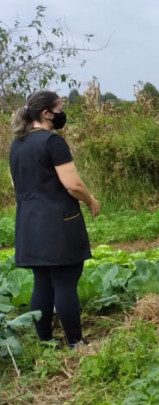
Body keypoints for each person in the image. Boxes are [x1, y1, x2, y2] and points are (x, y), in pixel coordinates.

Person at [8, 90, 100, 349]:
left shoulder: (18, 143)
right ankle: (75, 342)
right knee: (65, 282)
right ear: (46, 113)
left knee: (42, 282)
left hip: (29, 222)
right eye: (59, 108)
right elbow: (72, 184)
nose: (62, 113)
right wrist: (91, 200)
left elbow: (19, 183)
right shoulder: (52, 142)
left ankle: (46, 340)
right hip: (59, 223)